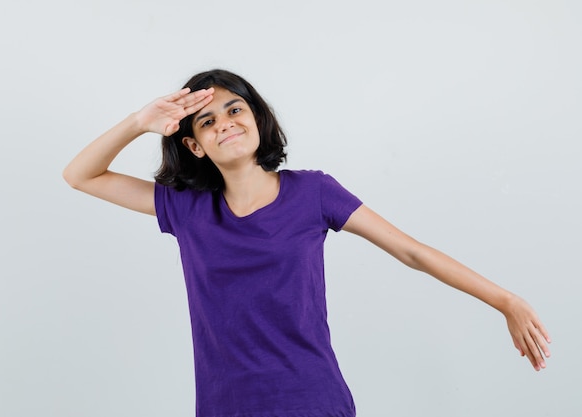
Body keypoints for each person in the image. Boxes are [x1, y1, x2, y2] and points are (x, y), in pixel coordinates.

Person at [63, 69, 551, 417]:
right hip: (225, 406)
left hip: (311, 400)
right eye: (206, 121)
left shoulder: (313, 193)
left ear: (256, 117)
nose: (224, 123)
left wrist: (505, 300)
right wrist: (138, 121)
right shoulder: (186, 208)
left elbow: (412, 252)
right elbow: (79, 175)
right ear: (194, 145)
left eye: (234, 109)